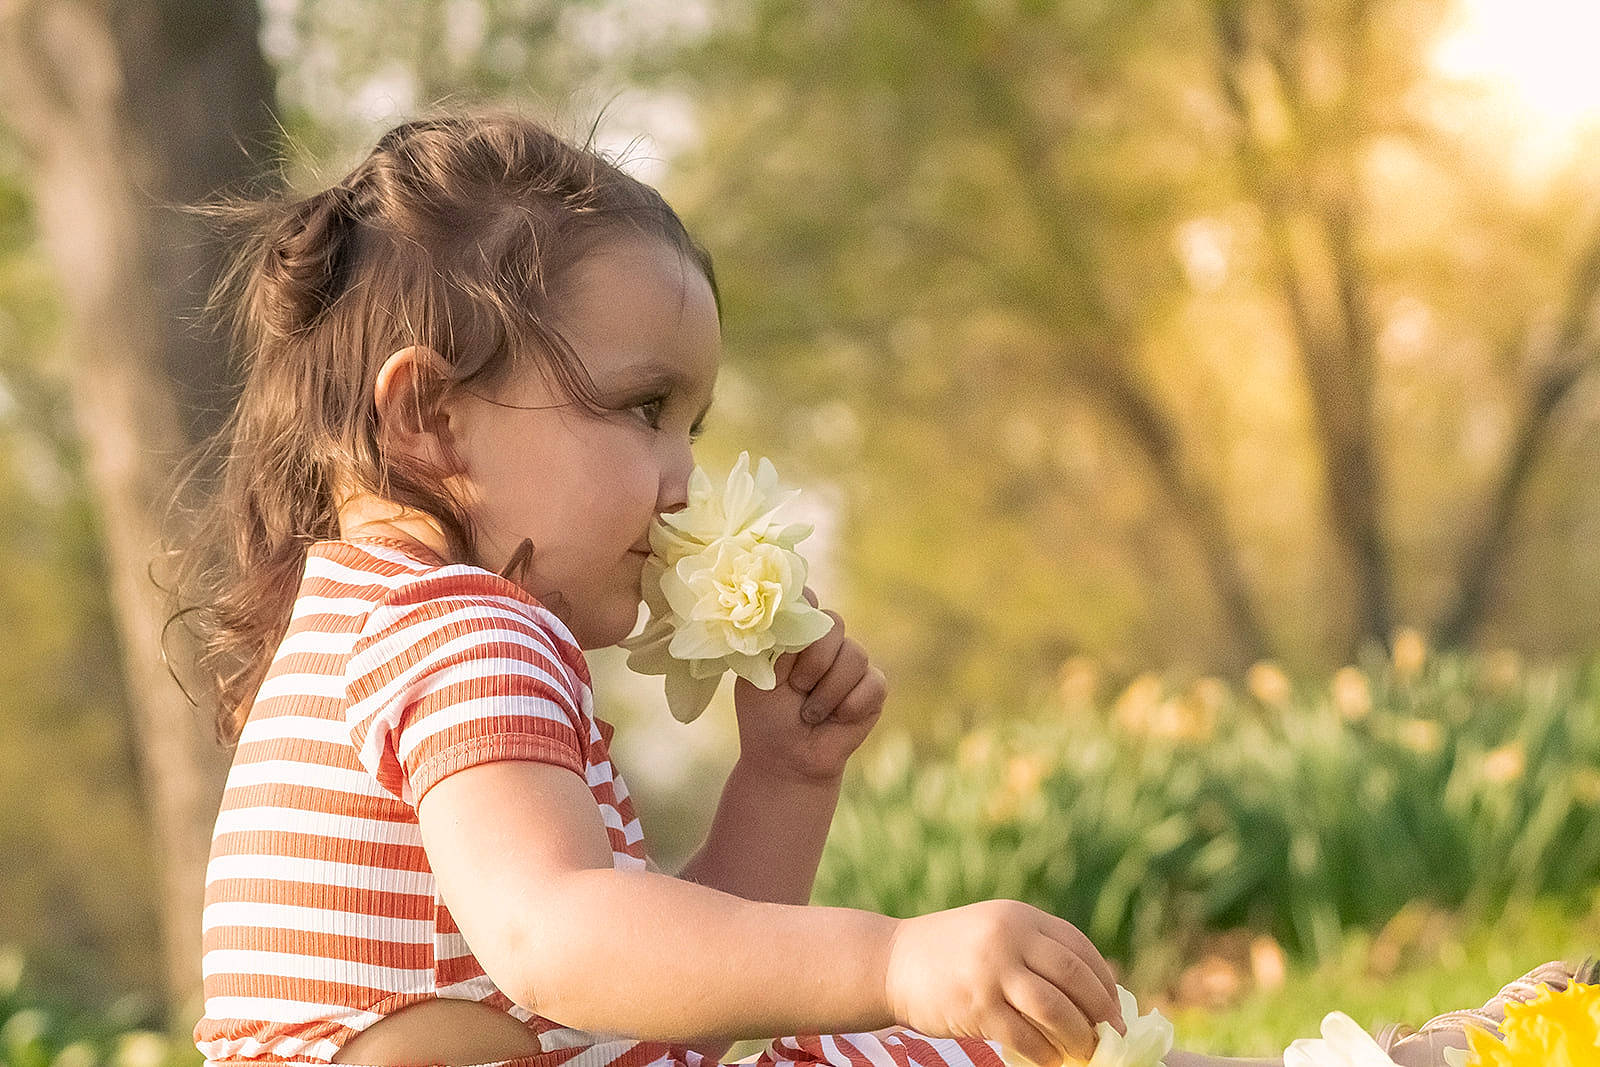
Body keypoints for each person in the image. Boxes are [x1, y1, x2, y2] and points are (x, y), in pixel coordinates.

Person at [169, 106, 1566, 1067]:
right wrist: (895, 961)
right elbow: (557, 943)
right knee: (956, 1044)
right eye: (642, 409)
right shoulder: (473, 630)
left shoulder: (356, 631)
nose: (681, 482)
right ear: (430, 422)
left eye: (692, 428)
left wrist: (781, 783)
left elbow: (646, 1007)